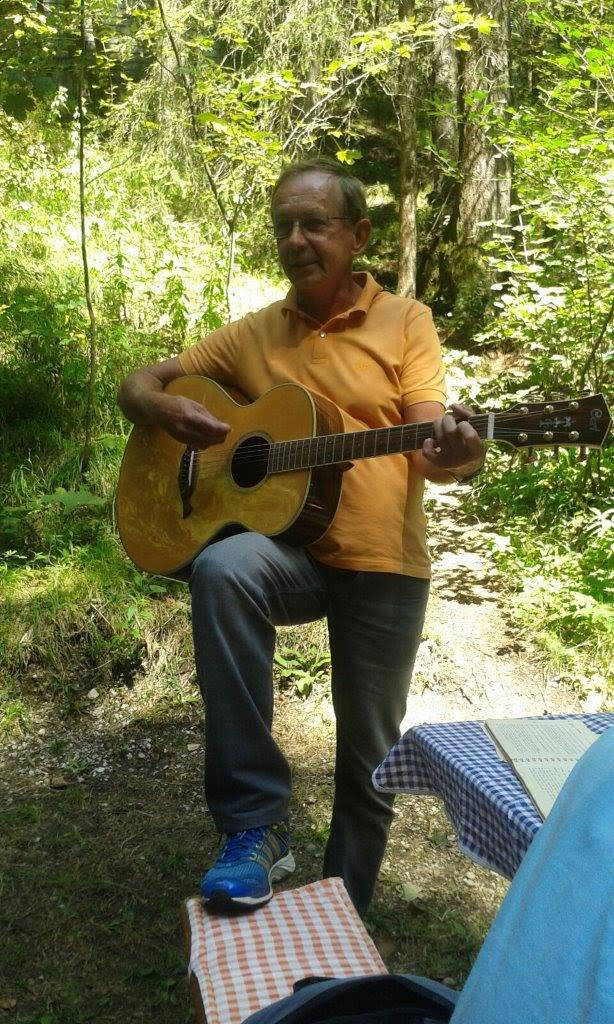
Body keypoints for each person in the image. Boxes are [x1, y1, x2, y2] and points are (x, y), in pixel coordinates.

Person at [117, 157, 484, 915]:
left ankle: (340, 918)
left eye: (313, 224)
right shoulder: (256, 332)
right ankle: (254, 825)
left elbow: (430, 447)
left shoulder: (405, 321)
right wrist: (162, 410)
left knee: (368, 760)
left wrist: (460, 452)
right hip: (291, 552)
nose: (295, 240)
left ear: (359, 235)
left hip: (382, 561)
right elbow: (138, 383)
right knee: (225, 568)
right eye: (283, 225)